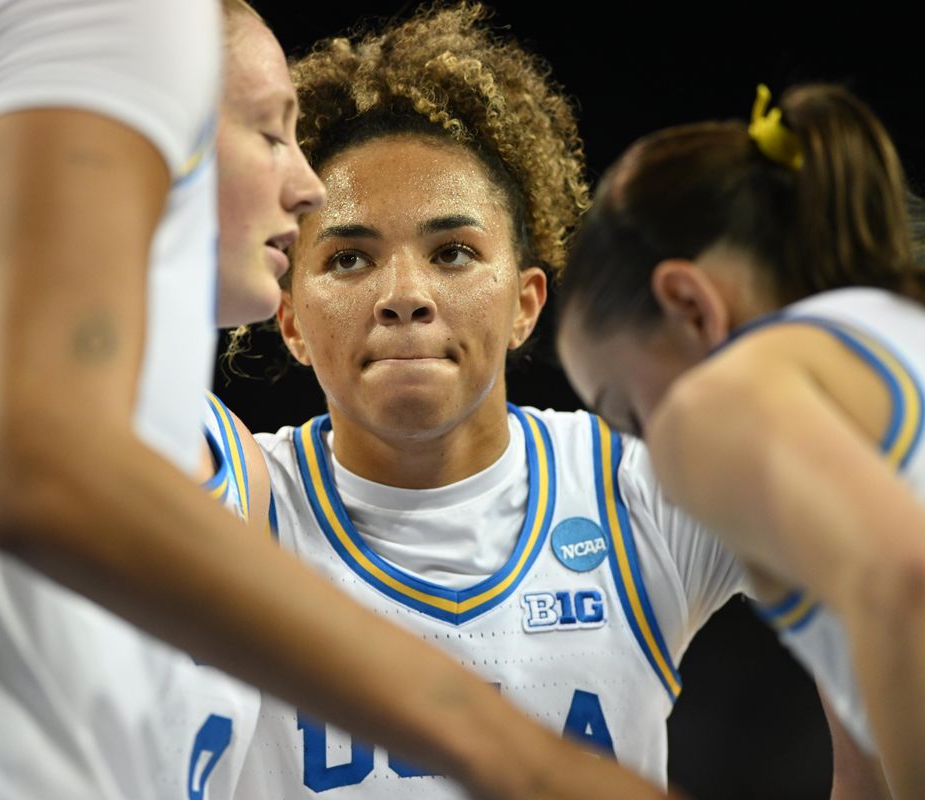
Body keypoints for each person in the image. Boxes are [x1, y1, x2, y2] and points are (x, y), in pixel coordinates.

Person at [0, 1, 672, 798]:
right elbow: (46, 468)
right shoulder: (111, 15)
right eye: (270, 130)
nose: (303, 186)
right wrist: (521, 758)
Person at [225, 5, 748, 796]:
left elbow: (888, 554)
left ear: (526, 305)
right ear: (290, 319)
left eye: (453, 253)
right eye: (349, 259)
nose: (405, 294)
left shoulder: (636, 489)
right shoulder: (231, 498)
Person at [554, 82, 925, 799]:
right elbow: (866, 777)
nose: (653, 451)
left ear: (689, 305)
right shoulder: (914, 323)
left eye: (634, 416)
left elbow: (914, 583)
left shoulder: (716, 407)